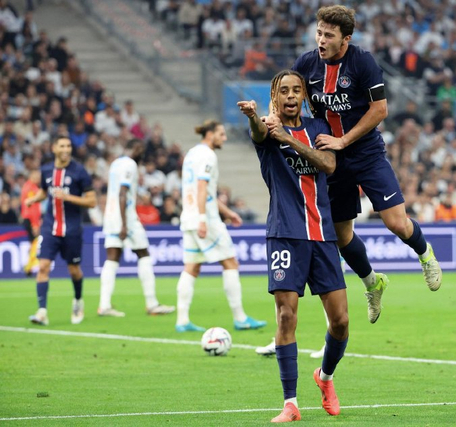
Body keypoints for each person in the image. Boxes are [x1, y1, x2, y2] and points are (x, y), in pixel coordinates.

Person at [291, 5, 442, 324]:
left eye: (328, 35)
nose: (321, 40)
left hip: (366, 153)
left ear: (345, 39)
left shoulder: (363, 62)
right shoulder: (306, 64)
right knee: (341, 235)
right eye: (319, 33)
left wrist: (344, 140)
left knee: (396, 223)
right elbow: (287, 96)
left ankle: (425, 254)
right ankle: (373, 283)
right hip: (332, 159)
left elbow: (380, 109)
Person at [238, 69, 349, 422]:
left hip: (322, 235)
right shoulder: (266, 129)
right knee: (286, 315)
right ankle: (290, 403)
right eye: (283, 90)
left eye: (296, 90)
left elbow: (329, 163)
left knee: (341, 321)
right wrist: (255, 117)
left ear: (303, 95)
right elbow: (259, 133)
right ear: (275, 96)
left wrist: (289, 139)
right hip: (285, 233)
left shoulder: (318, 128)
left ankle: (325, 376)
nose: (290, 96)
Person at [175, 120, 266, 333]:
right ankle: (240, 318)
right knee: (231, 262)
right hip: (204, 218)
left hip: (188, 216)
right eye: (221, 134)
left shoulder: (191, 154)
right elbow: (202, 187)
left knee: (191, 267)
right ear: (210, 134)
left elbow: (202, 191)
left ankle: (182, 320)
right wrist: (203, 219)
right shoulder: (208, 155)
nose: (224, 139)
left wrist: (228, 212)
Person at [98, 138, 175, 317]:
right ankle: (152, 303)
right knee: (144, 254)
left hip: (110, 215)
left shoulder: (116, 163)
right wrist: (124, 224)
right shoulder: (129, 164)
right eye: (140, 149)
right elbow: (123, 193)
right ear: (134, 148)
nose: (142, 153)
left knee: (112, 258)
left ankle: (104, 305)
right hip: (125, 217)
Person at [24, 135, 96, 326]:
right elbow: (44, 191)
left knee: (74, 270)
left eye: (68, 146)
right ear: (54, 148)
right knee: (43, 266)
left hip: (71, 229)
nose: (66, 149)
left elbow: (92, 201)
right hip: (50, 227)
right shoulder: (46, 170)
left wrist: (68, 197)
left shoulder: (79, 171)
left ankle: (78, 301)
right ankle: (42, 312)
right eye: (62, 146)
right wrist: (34, 199)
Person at [20, 169, 41, 276]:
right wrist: (35, 224)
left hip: (28, 218)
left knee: (32, 243)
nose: (38, 178)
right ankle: (29, 267)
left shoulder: (29, 187)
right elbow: (32, 207)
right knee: (35, 243)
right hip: (30, 219)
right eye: (36, 176)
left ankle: (30, 266)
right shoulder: (30, 188)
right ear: (31, 176)